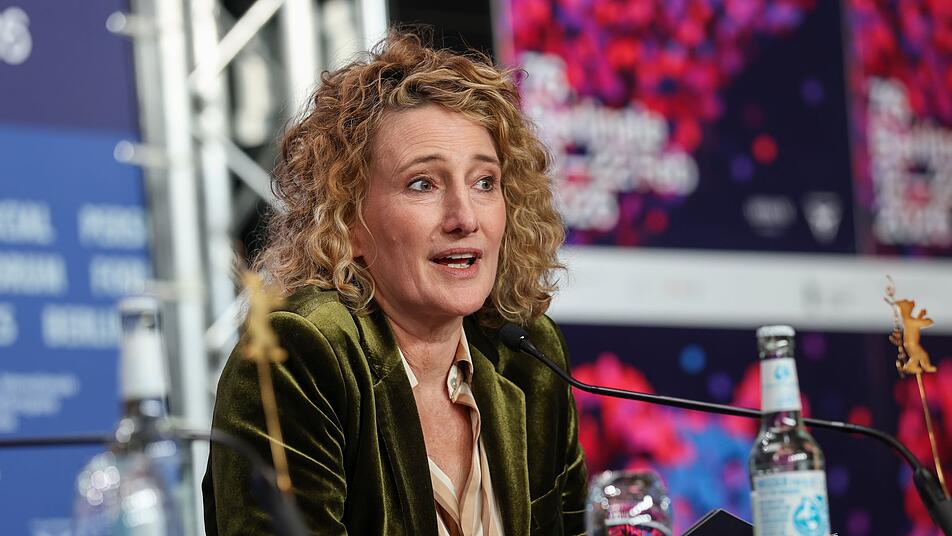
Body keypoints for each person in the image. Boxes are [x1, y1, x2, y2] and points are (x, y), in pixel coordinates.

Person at [202, 29, 587, 536]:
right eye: (423, 184)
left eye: (484, 182)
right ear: (349, 220)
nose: (465, 217)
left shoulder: (528, 355)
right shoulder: (303, 352)